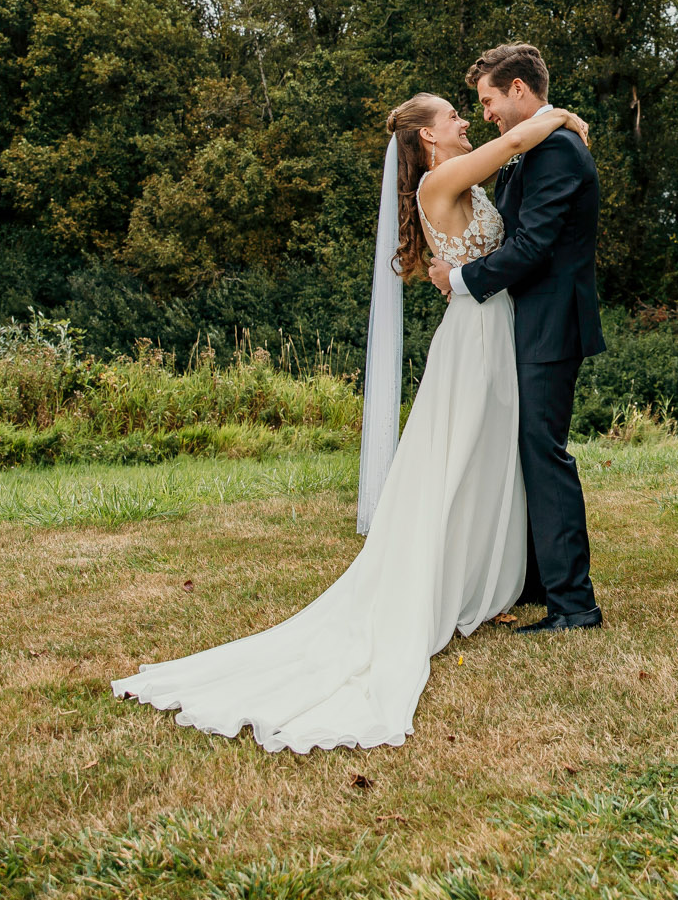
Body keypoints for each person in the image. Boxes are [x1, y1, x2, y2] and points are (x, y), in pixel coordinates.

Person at [111, 86, 588, 753]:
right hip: (476, 336)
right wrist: (559, 115)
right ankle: (446, 582)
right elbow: (513, 142)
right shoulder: (442, 179)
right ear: (427, 139)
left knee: (486, 460)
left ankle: (487, 574)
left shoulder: (465, 180)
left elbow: (494, 211)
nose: (462, 120)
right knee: (456, 460)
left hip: (495, 326)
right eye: (452, 114)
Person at [429, 42, 607, 632]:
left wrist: (457, 278)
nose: (483, 114)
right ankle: (534, 580)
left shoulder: (555, 150)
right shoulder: (535, 147)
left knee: (544, 453)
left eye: (488, 100)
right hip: (524, 324)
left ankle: (574, 603)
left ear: (520, 92)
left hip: (550, 325)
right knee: (523, 451)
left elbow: (531, 249)